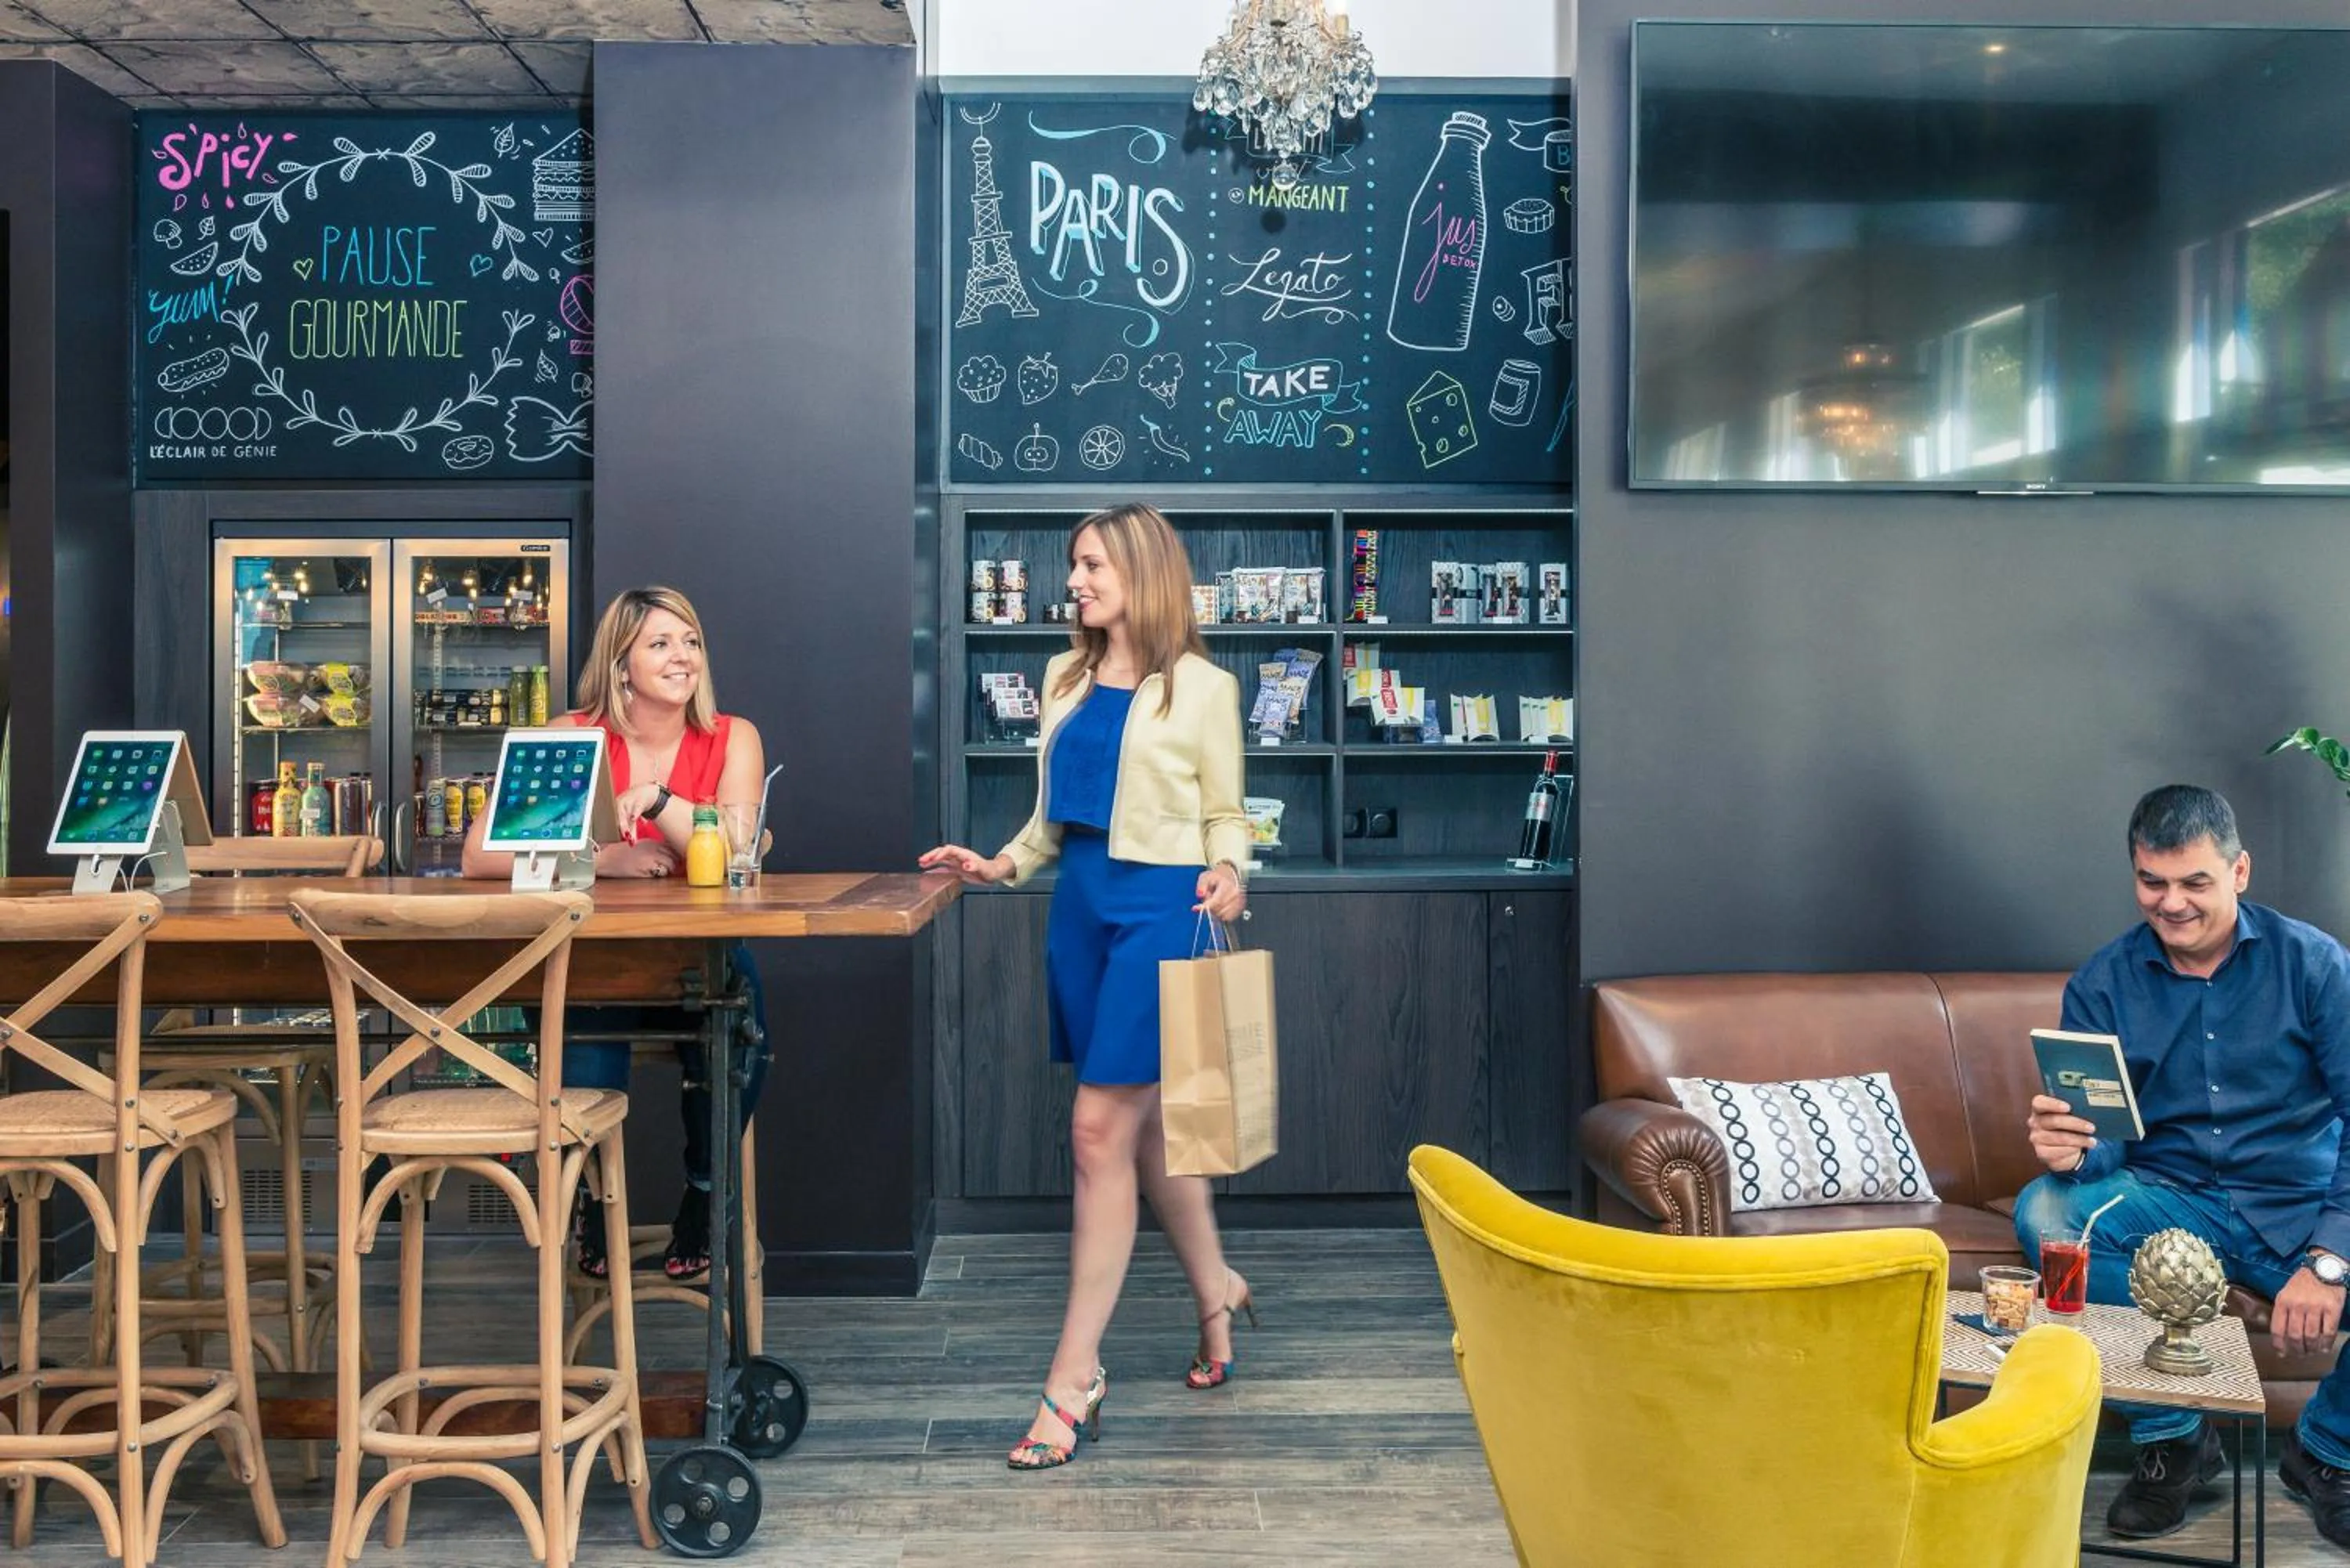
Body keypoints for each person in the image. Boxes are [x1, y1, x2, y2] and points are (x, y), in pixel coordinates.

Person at [920, 503, 1255, 1471]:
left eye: (1092, 563)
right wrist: (997, 865)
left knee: (1098, 1129)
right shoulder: (1066, 677)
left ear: (1143, 571)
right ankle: (1217, 1293)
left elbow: (1227, 813)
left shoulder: (1202, 686)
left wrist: (1232, 873)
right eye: (1073, 565)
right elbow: (1049, 820)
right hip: (1081, 909)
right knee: (1147, 1137)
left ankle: (1073, 1378)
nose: (1075, 579)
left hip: (1165, 911)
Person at [2017, 784, 2350, 1545]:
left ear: (2239, 872)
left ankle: (2327, 1451)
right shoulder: (2102, 981)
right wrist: (2072, 1148)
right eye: (2152, 881)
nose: (2172, 903)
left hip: (2297, 1205)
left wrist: (2331, 1258)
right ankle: (2176, 1439)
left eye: (2195, 881)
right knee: (2046, 1210)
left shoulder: (2316, 966)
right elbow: (2107, 1140)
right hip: (2173, 1201)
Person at [464, 584, 769, 1282]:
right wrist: (608, 859)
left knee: (745, 1032)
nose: (683, 657)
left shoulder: (731, 736)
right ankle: (594, 1204)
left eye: (691, 642)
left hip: (695, 962)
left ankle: (703, 1189)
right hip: (591, 962)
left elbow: (739, 849)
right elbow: (479, 855)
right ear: (620, 663)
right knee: (586, 1036)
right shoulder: (572, 737)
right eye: (661, 644)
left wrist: (659, 802)